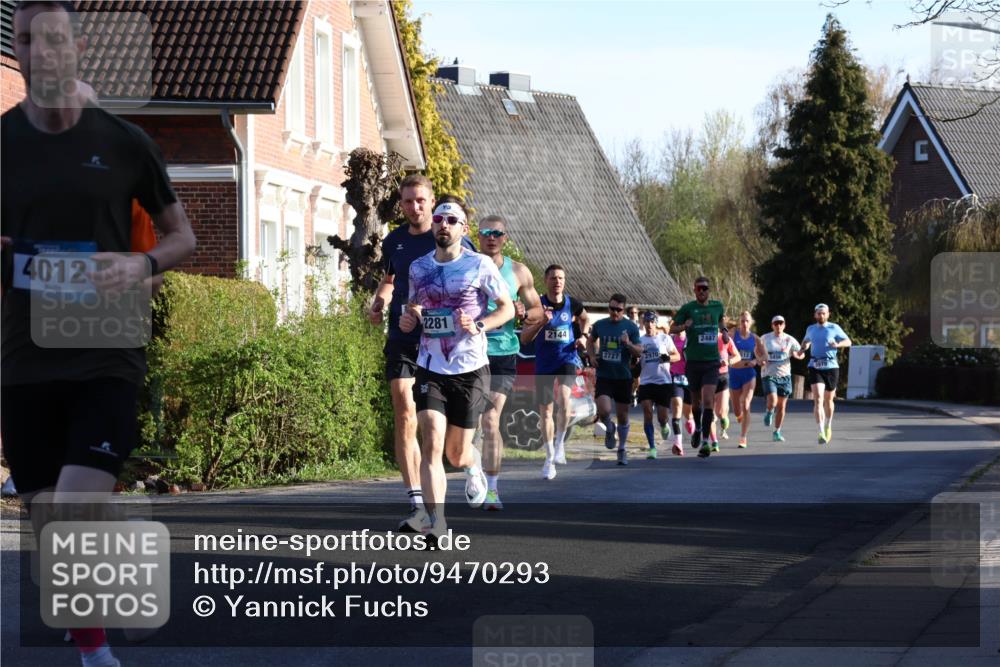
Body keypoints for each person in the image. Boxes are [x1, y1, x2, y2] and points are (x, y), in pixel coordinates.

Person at [1, 3, 197, 665]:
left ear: (77, 48)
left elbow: (181, 236)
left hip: (107, 349)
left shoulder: (124, 143)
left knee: (75, 506)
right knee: (49, 517)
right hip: (25, 356)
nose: (40, 52)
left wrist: (141, 265)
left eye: (53, 39)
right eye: (26, 40)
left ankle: (95, 651)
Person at [399, 199, 513, 541]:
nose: (443, 224)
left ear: (464, 228)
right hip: (430, 366)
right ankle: (437, 523)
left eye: (451, 220)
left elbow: (506, 308)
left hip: (470, 368)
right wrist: (410, 318)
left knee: (456, 453)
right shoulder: (419, 267)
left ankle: (472, 464)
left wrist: (479, 325)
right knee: (431, 441)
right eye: (438, 218)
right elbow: (414, 304)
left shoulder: (479, 264)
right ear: (433, 225)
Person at [368, 175, 476, 532]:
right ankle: (417, 502)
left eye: (420, 201)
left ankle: (469, 461)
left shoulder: (450, 234)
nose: (414, 207)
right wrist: (379, 302)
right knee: (404, 410)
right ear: (400, 204)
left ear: (431, 202)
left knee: (450, 445)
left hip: (441, 344)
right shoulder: (394, 241)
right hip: (403, 336)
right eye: (407, 201)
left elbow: (474, 282)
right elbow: (390, 280)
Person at [477, 215, 542, 511]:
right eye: (486, 232)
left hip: (502, 353)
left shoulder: (518, 271)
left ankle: (492, 490)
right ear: (478, 236)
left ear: (505, 237)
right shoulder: (465, 265)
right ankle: (473, 472)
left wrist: (523, 313)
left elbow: (538, 309)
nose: (491, 237)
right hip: (469, 352)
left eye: (497, 233)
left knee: (490, 420)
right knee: (466, 424)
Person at [520, 265, 589, 480]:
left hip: (567, 358)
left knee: (564, 397)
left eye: (561, 278)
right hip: (545, 363)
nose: (557, 282)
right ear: (546, 280)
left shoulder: (573, 304)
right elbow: (525, 338)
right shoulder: (537, 305)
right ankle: (549, 457)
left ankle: (560, 445)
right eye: (553, 278)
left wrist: (584, 335)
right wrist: (542, 322)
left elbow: (585, 318)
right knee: (546, 412)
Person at [670, 278, 725, 458]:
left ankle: (705, 442)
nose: (702, 291)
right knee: (696, 402)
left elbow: (721, 321)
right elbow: (672, 328)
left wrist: (724, 332)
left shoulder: (717, 306)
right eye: (699, 288)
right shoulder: (688, 308)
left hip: (712, 362)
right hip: (693, 362)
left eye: (705, 288)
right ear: (694, 290)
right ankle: (699, 428)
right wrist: (683, 326)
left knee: (708, 400)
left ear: (709, 290)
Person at [587, 294, 643, 466]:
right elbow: (590, 341)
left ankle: (622, 449)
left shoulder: (630, 327)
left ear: (623, 310)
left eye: (618, 310)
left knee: (623, 416)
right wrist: (591, 356)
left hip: (623, 377)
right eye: (612, 309)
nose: (614, 312)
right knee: (603, 410)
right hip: (604, 375)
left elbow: (639, 351)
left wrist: (628, 344)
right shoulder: (600, 325)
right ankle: (609, 428)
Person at [801, 303, 851, 444]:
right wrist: (803, 347)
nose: (821, 315)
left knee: (828, 400)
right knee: (818, 399)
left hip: (831, 366)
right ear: (815, 315)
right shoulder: (810, 329)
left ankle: (828, 425)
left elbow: (848, 341)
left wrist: (837, 344)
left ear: (828, 314)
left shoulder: (834, 328)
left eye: (824, 313)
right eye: (819, 313)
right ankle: (821, 432)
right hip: (815, 365)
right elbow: (806, 342)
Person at [636, 310, 680, 459]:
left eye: (651, 322)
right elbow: (635, 358)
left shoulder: (664, 338)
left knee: (662, 417)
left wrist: (667, 358)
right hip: (646, 382)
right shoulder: (640, 340)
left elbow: (677, 356)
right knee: (647, 412)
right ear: (643, 323)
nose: (649, 325)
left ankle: (663, 424)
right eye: (646, 322)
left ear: (656, 323)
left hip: (663, 382)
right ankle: (652, 448)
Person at [760, 315, 805, 442]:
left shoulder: (790, 339)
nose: (778, 326)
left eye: (781, 323)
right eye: (776, 323)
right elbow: (757, 351)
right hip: (769, 374)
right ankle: (769, 412)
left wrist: (798, 355)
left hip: (785, 376)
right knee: (773, 400)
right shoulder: (765, 338)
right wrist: (760, 360)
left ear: (784, 325)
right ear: (772, 325)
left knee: (782, 406)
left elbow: (800, 353)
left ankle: (777, 432)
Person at [728, 311, 764, 449]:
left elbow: (764, 356)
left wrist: (756, 361)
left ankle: (743, 437)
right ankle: (739, 416)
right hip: (734, 373)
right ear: (739, 322)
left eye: (747, 321)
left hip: (749, 374)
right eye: (742, 321)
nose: (744, 323)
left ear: (751, 322)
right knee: (737, 410)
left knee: (746, 403)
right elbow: (723, 348)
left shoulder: (755, 338)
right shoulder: (733, 334)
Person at [710, 327, 740, 451]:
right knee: (710, 414)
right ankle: (714, 442)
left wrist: (728, 361)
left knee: (721, 413)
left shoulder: (723, 338)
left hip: (722, 376)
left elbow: (737, 356)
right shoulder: (702, 339)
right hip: (707, 377)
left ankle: (723, 427)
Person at [667, 330, 693, 455]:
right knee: (677, 406)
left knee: (688, 413)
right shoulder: (670, 339)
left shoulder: (691, 338)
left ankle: (690, 420)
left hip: (689, 377)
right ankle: (678, 443)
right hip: (674, 376)